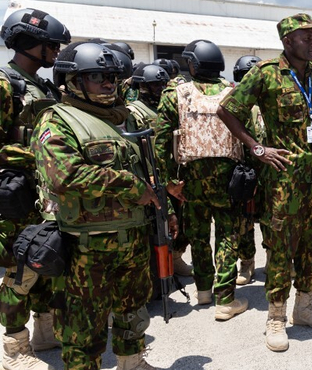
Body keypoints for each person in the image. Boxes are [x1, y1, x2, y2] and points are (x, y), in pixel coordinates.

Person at [31, 41, 173, 370]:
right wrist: (129, 187)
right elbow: (64, 176)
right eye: (97, 76)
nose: (108, 83)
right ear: (73, 81)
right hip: (86, 247)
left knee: (132, 311)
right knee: (82, 331)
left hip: (133, 238)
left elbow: (149, 170)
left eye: (112, 76)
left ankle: (132, 363)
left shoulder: (123, 118)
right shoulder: (57, 120)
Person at [217, 13, 312, 352]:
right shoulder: (265, 73)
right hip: (284, 178)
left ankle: (305, 307)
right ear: (287, 41)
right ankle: (276, 317)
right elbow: (227, 110)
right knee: (281, 247)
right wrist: (257, 148)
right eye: (306, 37)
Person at [154, 39, 249, 321]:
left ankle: (204, 290)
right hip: (228, 179)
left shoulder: (176, 93)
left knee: (198, 235)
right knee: (227, 236)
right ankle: (226, 298)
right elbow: (251, 132)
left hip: (190, 180)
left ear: (193, 64)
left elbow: (160, 141)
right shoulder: (234, 92)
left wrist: (169, 180)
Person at [0, 8, 70, 370]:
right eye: (50, 46)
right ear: (30, 44)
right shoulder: (4, 83)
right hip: (16, 191)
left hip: (44, 192)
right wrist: (34, 154)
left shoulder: (43, 86)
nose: (56, 53)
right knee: (18, 267)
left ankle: (44, 330)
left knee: (45, 258)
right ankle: (14, 345)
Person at [230, 54, 264, 286]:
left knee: (274, 222)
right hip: (247, 171)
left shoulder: (271, 103)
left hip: (272, 171)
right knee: (245, 223)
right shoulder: (236, 104)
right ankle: (247, 262)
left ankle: (274, 261)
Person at [125, 64, 169, 131]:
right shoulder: (133, 112)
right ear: (143, 86)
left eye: (163, 84)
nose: (162, 88)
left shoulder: (167, 108)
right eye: (156, 85)